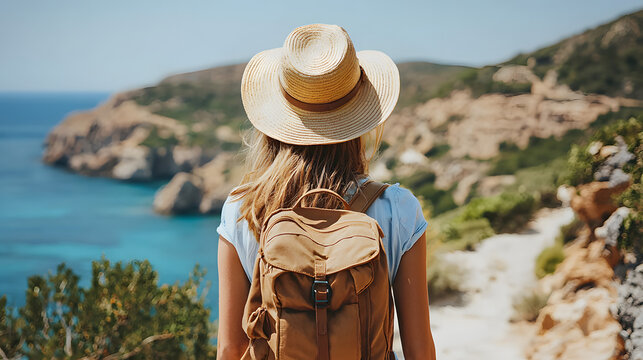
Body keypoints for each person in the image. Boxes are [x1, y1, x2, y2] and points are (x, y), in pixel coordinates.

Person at [217, 24, 436, 359]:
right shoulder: (398, 210)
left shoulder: (243, 209)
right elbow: (419, 349)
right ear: (359, 119)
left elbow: (231, 347)